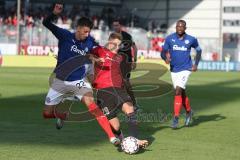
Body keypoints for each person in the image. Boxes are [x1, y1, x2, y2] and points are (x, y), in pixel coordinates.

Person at [42, 3, 120, 145]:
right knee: (47, 114)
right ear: (78, 29)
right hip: (60, 81)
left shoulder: (89, 41)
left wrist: (105, 56)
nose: (87, 34)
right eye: (85, 31)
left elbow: (98, 49)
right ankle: (62, 115)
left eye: (89, 32)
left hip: (78, 81)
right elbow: (46, 23)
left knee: (92, 106)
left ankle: (112, 137)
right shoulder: (64, 35)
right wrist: (54, 14)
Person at [90, 32, 148, 148]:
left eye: (119, 45)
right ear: (109, 42)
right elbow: (86, 55)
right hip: (103, 92)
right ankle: (122, 141)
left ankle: (135, 140)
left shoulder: (119, 57)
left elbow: (119, 74)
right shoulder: (99, 50)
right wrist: (94, 59)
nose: (117, 48)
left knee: (130, 109)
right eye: (115, 45)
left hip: (118, 89)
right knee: (115, 127)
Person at [161, 20, 202, 129]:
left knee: (178, 90)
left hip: (186, 68)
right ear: (176, 27)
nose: (179, 28)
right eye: (178, 26)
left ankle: (176, 118)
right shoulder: (169, 38)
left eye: (181, 26)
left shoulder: (191, 39)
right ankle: (189, 112)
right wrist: (165, 58)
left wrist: (196, 64)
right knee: (181, 93)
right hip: (174, 69)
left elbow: (199, 50)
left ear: (185, 28)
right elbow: (163, 51)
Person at [112, 19, 138, 110]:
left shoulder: (127, 36)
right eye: (114, 25)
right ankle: (122, 103)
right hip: (116, 63)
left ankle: (134, 103)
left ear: (120, 26)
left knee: (126, 82)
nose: (115, 27)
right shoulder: (113, 37)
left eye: (117, 25)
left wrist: (135, 60)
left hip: (126, 62)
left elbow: (134, 47)